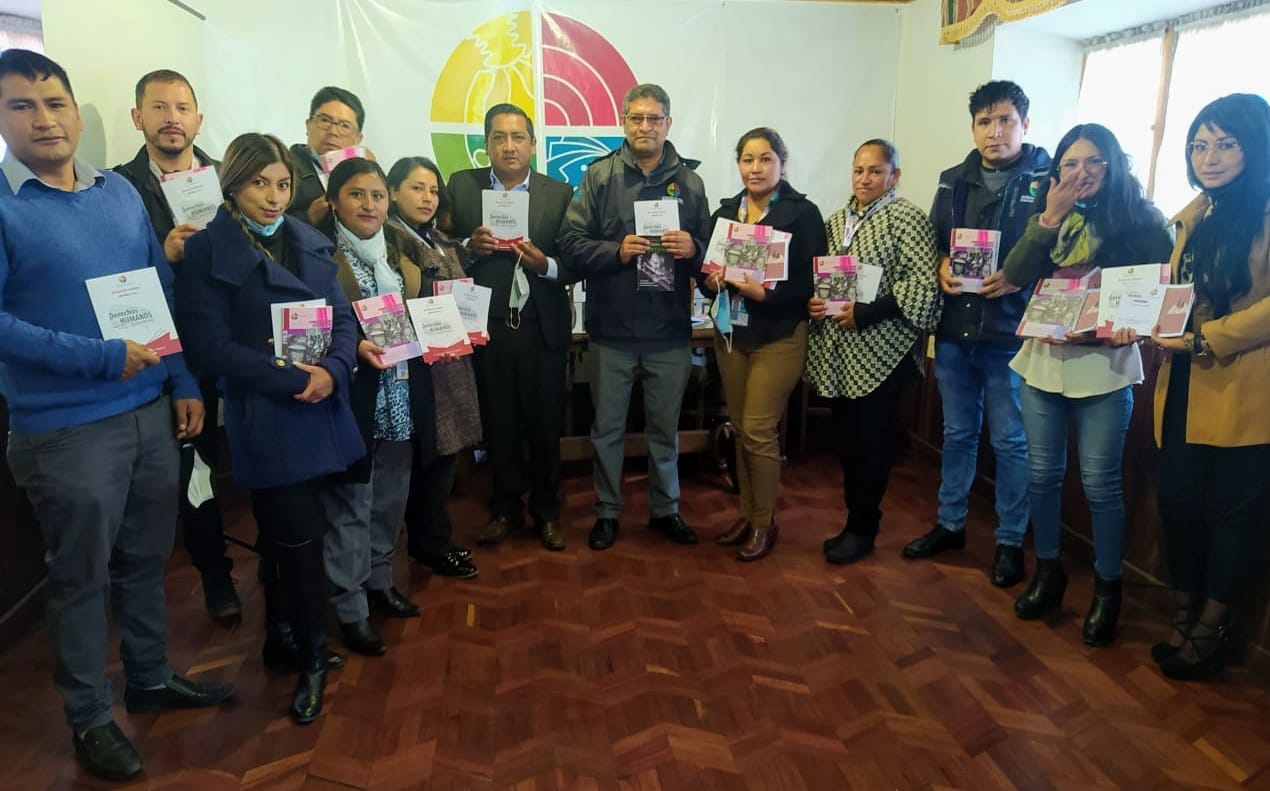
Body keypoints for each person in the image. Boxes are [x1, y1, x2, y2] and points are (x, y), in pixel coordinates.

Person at [0, 50, 233, 782]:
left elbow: (157, 295)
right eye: (21, 106)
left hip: (148, 411)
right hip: (65, 427)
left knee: (143, 561)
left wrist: (184, 377)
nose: (44, 119)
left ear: (76, 110)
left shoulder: (118, 194)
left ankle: (150, 675)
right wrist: (102, 357)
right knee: (79, 579)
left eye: (55, 102)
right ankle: (91, 717)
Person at [176, 132, 364, 724]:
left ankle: (282, 637)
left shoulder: (309, 241)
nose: (273, 197)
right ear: (233, 184)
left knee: (293, 537)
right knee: (297, 539)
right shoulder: (210, 251)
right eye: (260, 183)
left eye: (283, 184)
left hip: (323, 406)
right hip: (269, 414)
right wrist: (293, 379)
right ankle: (312, 656)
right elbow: (209, 346)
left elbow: (341, 321)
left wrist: (333, 371)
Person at [999, 123, 1172, 646]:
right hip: (1044, 363)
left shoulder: (1144, 223)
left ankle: (1107, 589)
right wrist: (1048, 219)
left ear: (1114, 165)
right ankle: (1048, 572)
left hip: (1105, 370)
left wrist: (1135, 326)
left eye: (1094, 162)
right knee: (1043, 476)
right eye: (1070, 164)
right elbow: (1013, 273)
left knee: (1100, 486)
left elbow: (1151, 298)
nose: (1082, 173)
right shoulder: (1051, 220)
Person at [902, 80, 1051, 588]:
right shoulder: (952, 181)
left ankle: (1010, 540)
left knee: (1011, 442)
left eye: (1005, 120)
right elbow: (934, 241)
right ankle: (950, 524)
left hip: (1013, 332)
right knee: (958, 434)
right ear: (973, 128)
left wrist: (1018, 275)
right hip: (954, 330)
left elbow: (1058, 257)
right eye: (985, 122)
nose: (995, 132)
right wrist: (942, 263)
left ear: (1024, 124)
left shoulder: (1048, 181)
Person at [1146, 93, 1270, 680]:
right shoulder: (1195, 214)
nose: (1209, 157)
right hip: (1183, 383)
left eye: (1225, 143)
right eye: (1198, 144)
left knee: (1233, 518)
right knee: (1177, 505)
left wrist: (1208, 337)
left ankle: (1210, 630)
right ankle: (1184, 610)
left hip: (1247, 388)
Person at [557, 83, 711, 551]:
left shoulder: (691, 183)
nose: (645, 126)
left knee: (664, 430)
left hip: (668, 332)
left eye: (654, 118)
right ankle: (607, 511)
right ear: (624, 122)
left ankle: (666, 510)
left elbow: (712, 255)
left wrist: (695, 249)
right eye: (636, 118)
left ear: (668, 122)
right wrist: (615, 251)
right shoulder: (599, 176)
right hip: (611, 331)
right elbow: (570, 242)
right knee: (607, 429)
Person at [113, 68, 239, 620]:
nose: (172, 118)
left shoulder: (230, 181)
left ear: (198, 119)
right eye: (159, 107)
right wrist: (161, 256)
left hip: (227, 341)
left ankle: (241, 574)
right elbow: (116, 276)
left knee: (226, 458)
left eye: (182, 107)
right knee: (181, 465)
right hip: (160, 352)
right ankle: (198, 582)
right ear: (138, 117)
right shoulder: (114, 188)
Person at [447, 104, 575, 551]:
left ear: (534, 145)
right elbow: (437, 245)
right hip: (488, 324)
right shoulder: (461, 186)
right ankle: (503, 509)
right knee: (498, 422)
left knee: (543, 424)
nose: (508, 146)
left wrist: (547, 265)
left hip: (542, 326)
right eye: (498, 137)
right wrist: (468, 247)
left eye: (518, 137)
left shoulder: (559, 193)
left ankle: (547, 512)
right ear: (486, 144)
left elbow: (574, 261)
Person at [317, 157, 432, 657]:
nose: (370, 205)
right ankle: (350, 604)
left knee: (390, 494)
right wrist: (350, 348)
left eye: (378, 196)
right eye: (357, 195)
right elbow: (310, 327)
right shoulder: (318, 254)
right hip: (354, 392)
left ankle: (380, 581)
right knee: (351, 502)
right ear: (335, 202)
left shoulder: (403, 248)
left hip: (402, 387)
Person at [808, 139, 941, 564]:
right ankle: (853, 519)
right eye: (859, 170)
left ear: (894, 176)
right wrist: (816, 302)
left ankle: (864, 527)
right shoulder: (837, 221)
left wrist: (868, 312)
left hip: (884, 350)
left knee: (871, 444)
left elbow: (923, 284)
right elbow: (824, 276)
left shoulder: (908, 218)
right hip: (842, 351)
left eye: (876, 171)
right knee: (847, 440)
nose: (865, 179)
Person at [698, 127, 826, 561]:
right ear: (739, 165)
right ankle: (747, 513)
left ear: (782, 164)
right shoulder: (724, 215)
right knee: (739, 426)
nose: (756, 168)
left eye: (766, 159)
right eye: (748, 160)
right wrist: (712, 280)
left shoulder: (802, 213)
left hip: (779, 335)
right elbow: (704, 275)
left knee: (757, 428)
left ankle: (764, 522)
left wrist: (764, 294)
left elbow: (813, 282)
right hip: (732, 332)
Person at [386, 156, 483, 578]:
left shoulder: (438, 238)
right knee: (428, 458)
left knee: (444, 457)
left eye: (432, 189)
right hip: (418, 364)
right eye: (415, 188)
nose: (427, 197)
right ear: (392, 192)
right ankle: (428, 544)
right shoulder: (389, 238)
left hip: (449, 358)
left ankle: (435, 538)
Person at [288, 86, 365, 227]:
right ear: (308, 125)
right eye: (325, 120)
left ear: (358, 139)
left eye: (345, 126)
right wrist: (308, 218)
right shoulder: (283, 168)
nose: (333, 131)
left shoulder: (365, 174)